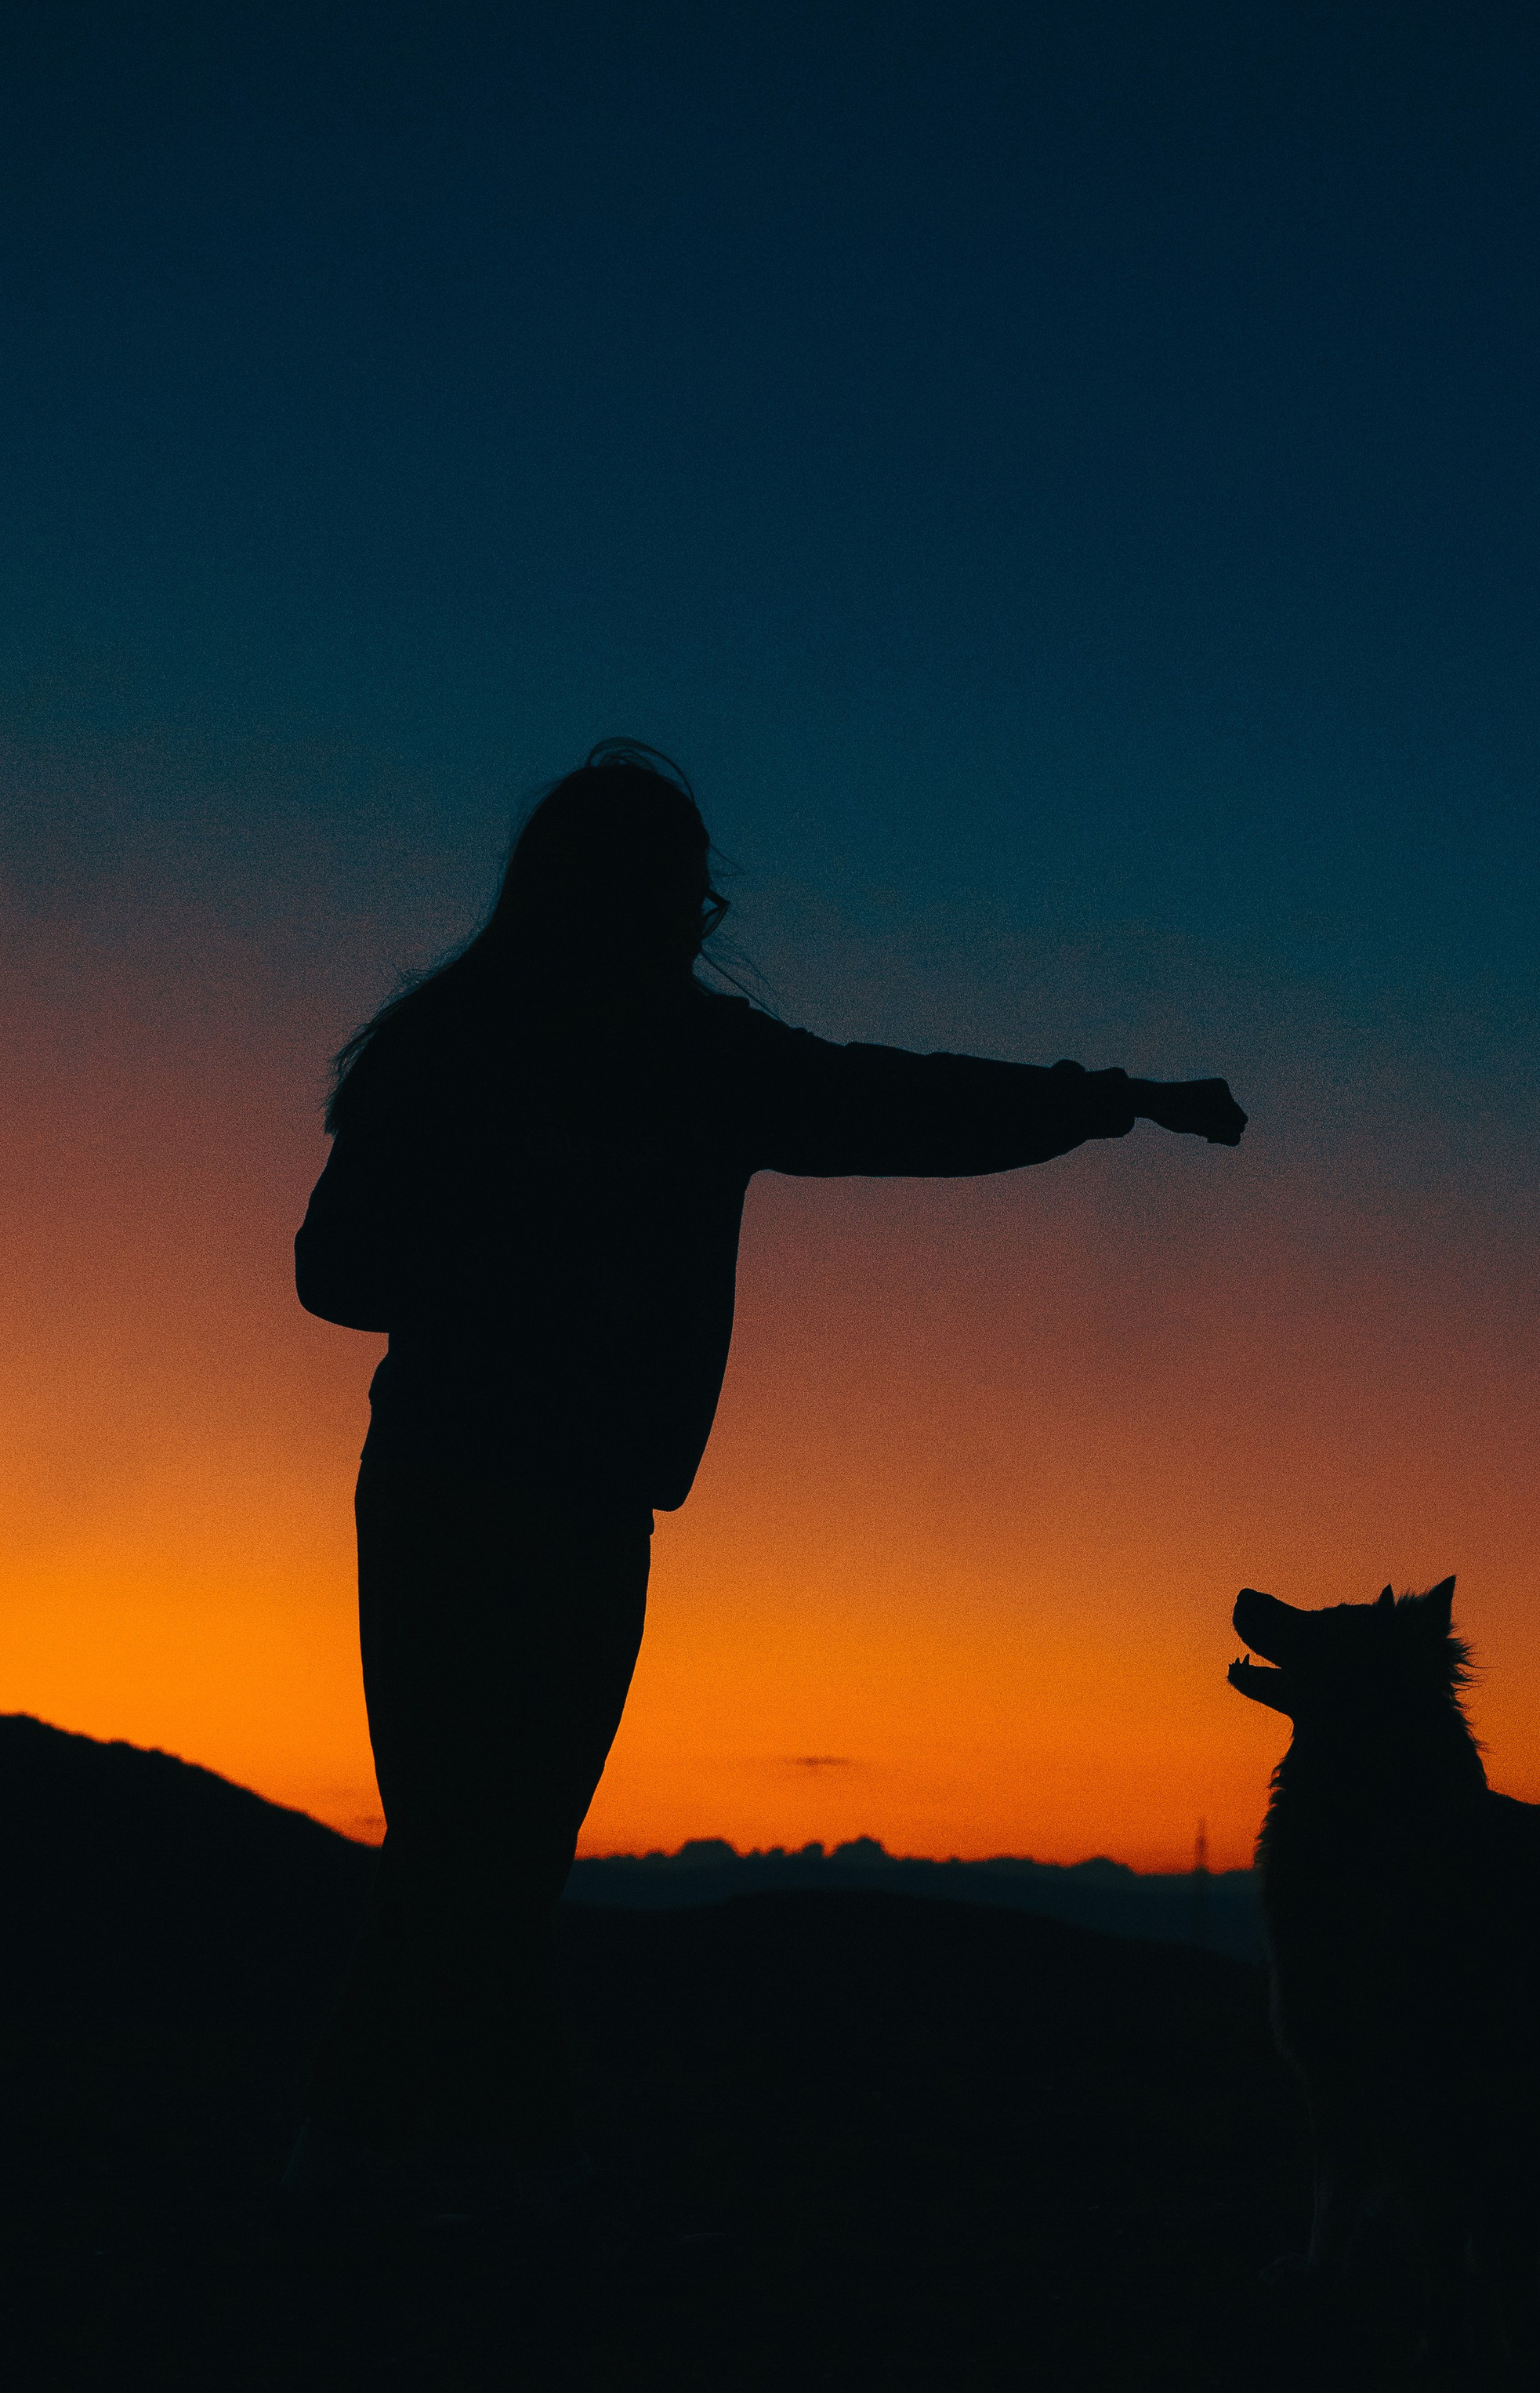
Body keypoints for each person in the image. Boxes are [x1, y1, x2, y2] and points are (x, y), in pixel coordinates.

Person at [281, 741, 1245, 2251]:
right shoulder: (608, 1057)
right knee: (491, 1844)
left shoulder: (533, 1045)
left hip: (488, 1491)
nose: (692, 916)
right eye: (679, 890)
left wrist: (1110, 1100)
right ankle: (458, 2165)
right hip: (505, 1495)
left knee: (471, 1843)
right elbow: (336, 1272)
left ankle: (384, 2159)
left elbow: (898, 1108)